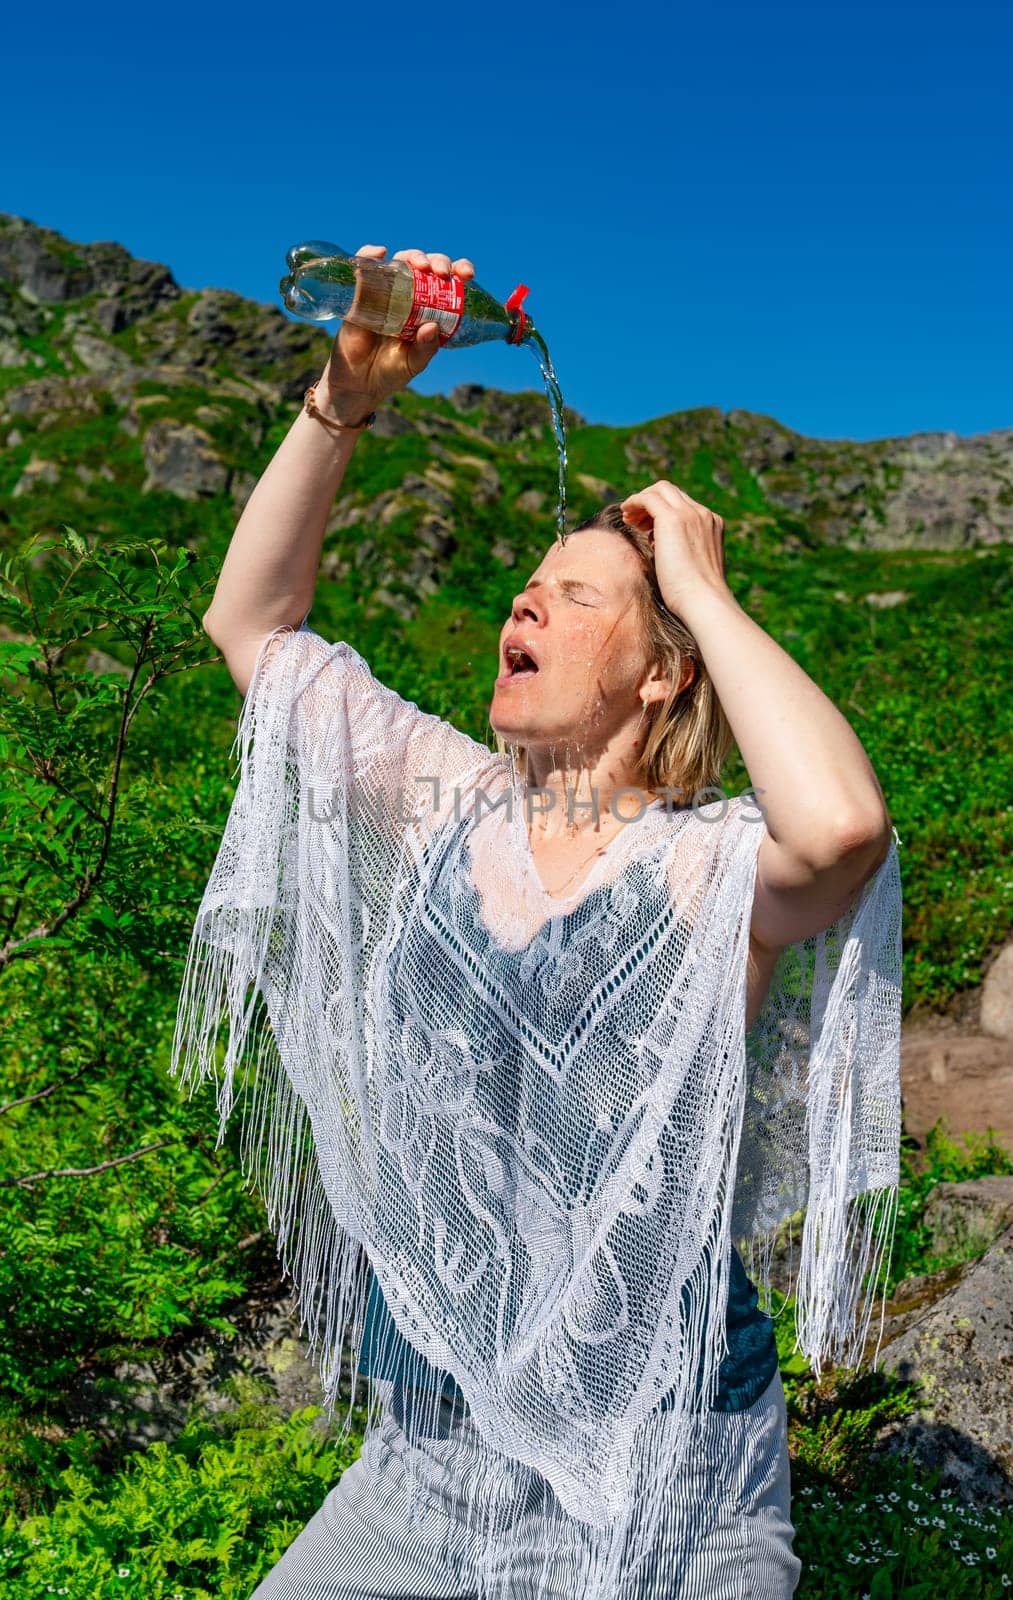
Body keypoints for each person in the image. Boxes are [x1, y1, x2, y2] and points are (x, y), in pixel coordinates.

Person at [171, 245, 903, 1600]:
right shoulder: (446, 799)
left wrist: (702, 587)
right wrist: (349, 393)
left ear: (659, 669)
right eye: (528, 587)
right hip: (423, 1468)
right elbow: (250, 623)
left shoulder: (702, 867)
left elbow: (843, 831)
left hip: (668, 1481)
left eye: (580, 597)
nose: (527, 601)